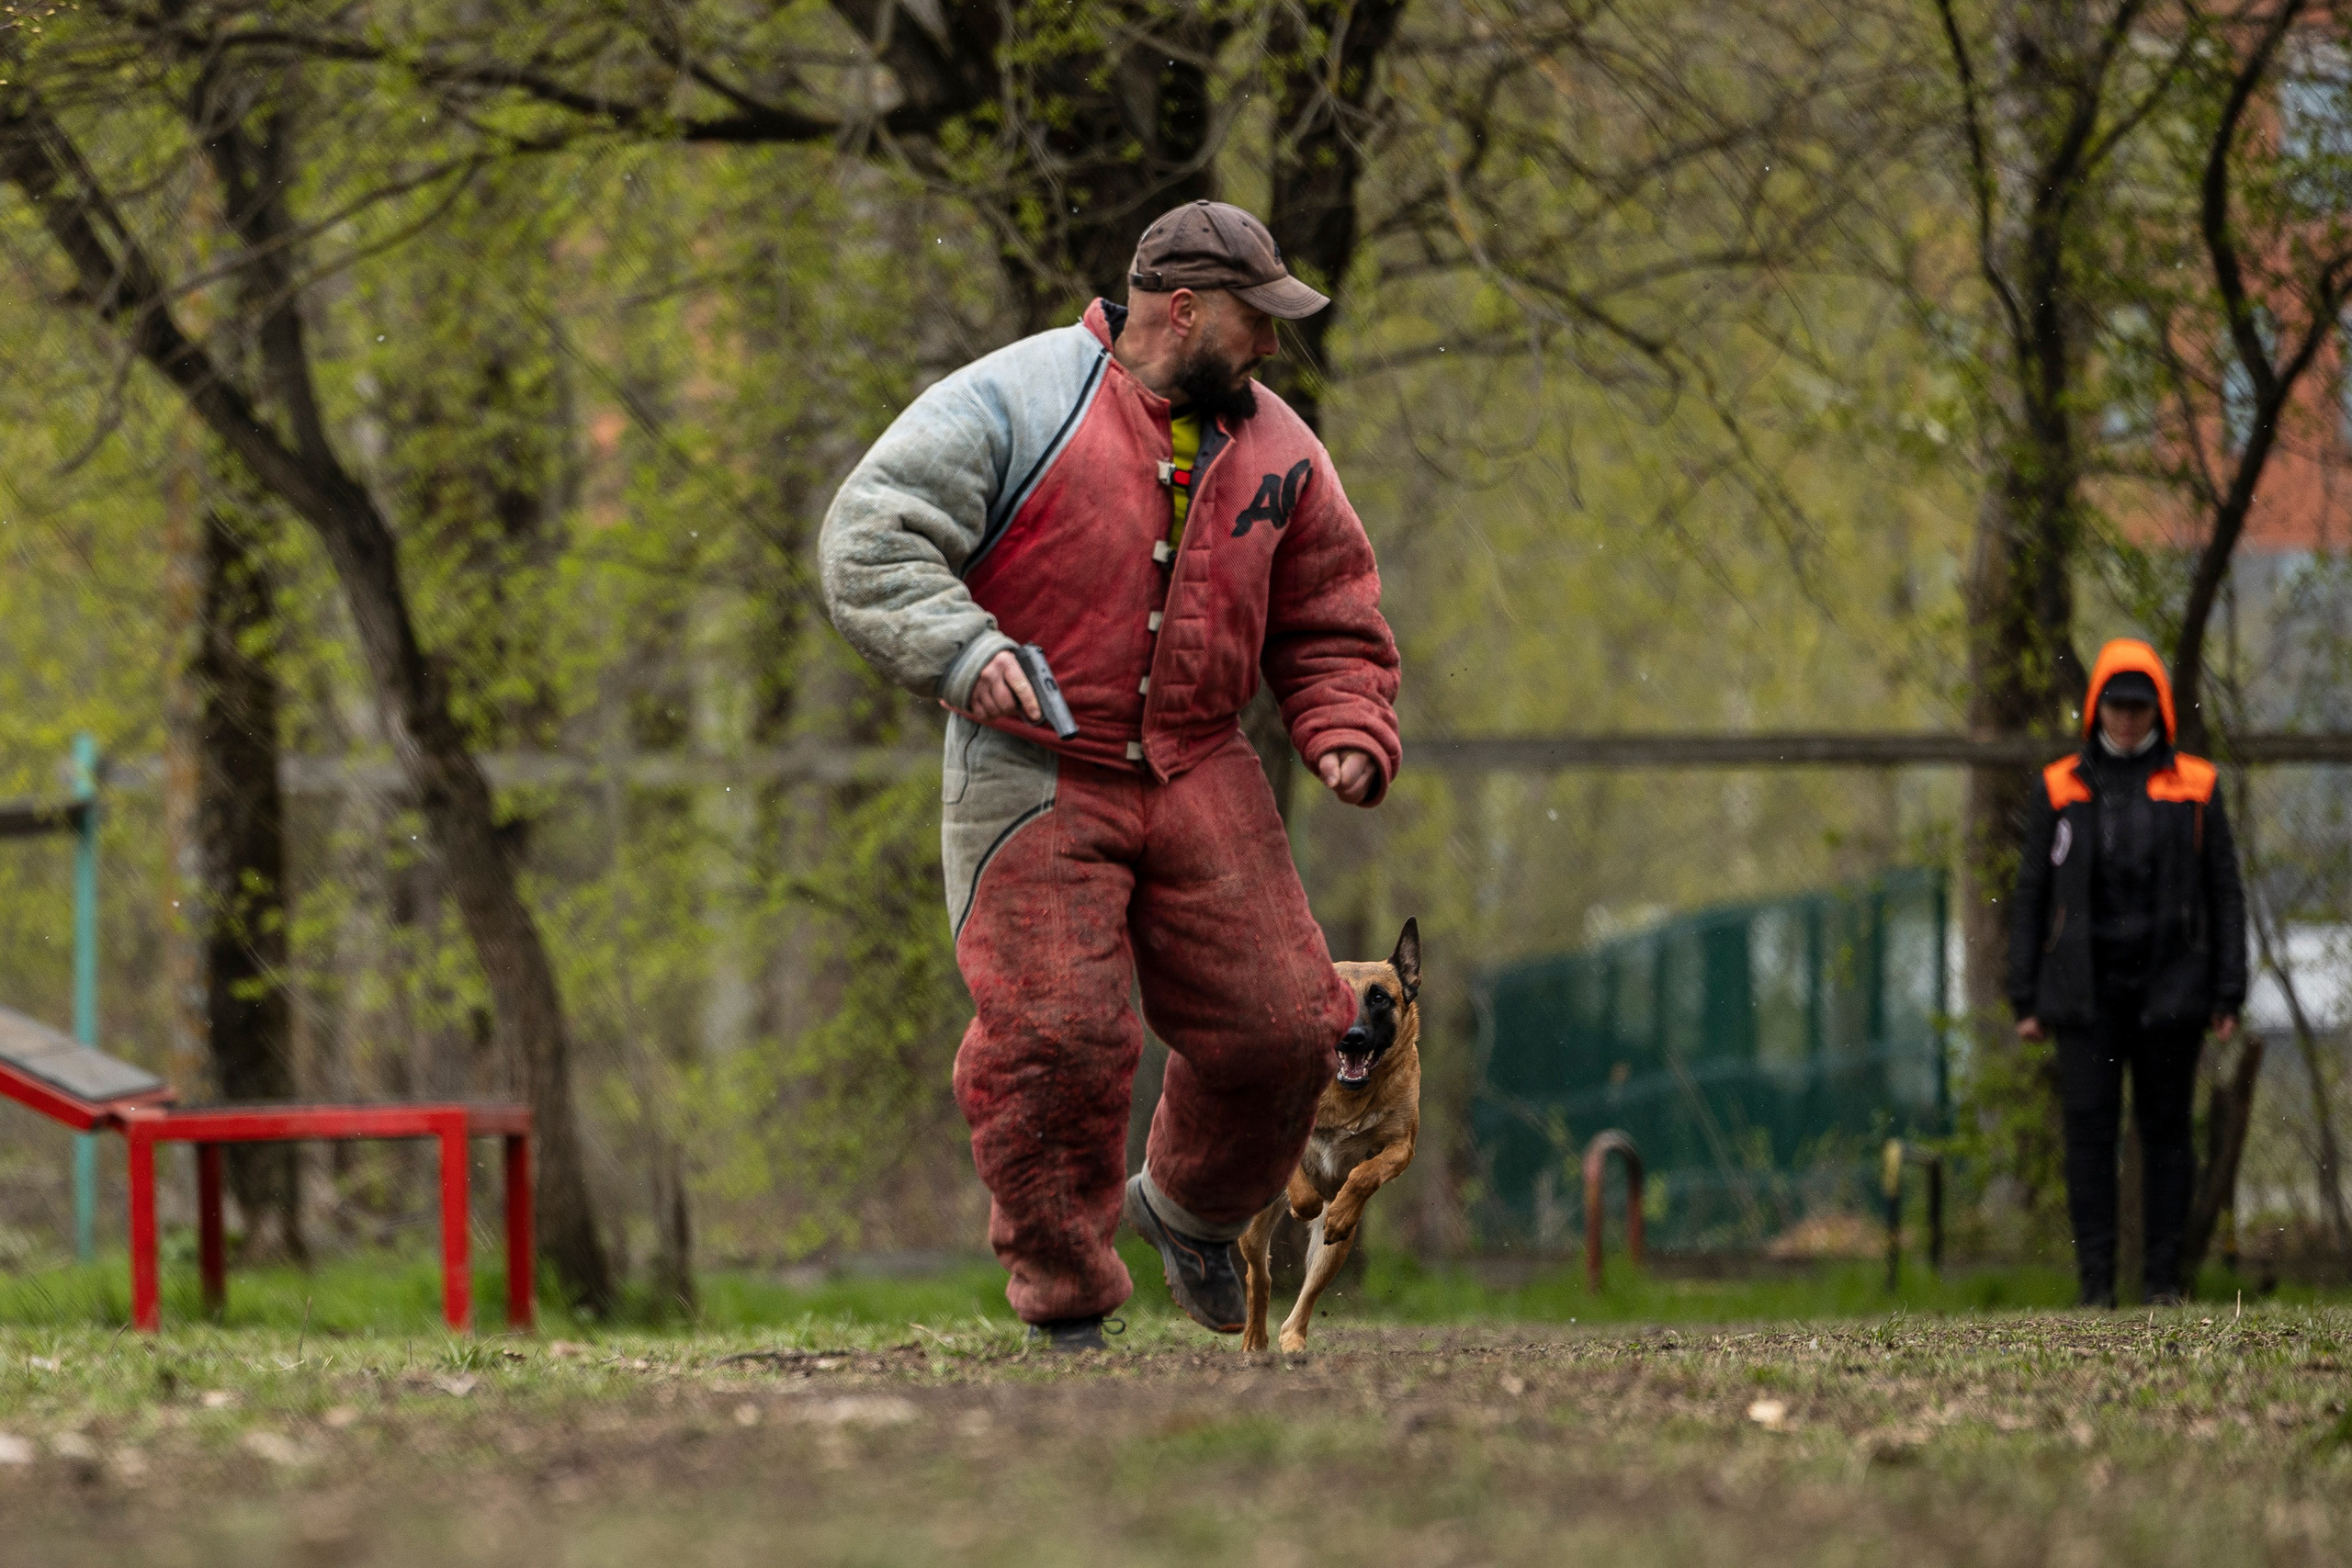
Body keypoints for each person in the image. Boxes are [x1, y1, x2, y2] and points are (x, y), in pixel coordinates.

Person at [819, 200, 1401, 1348]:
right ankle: (1065, 1302)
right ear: (1180, 310)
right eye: (1254, 321)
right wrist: (963, 650)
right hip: (1034, 762)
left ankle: (1186, 1210)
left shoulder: (1282, 447)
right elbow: (868, 536)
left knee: (1291, 1027)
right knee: (1055, 1038)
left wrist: (1342, 719)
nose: (1271, 350)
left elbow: (1330, 605)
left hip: (1199, 758)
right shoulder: (1009, 401)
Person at [2007, 637, 2245, 1307]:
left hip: (2174, 991)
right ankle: (2095, 1287)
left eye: (2139, 707)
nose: (2127, 718)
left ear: (2159, 711)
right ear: (2096, 708)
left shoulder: (2197, 786)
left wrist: (2229, 989)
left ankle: (2164, 1283)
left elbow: (2225, 892)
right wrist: (2024, 994)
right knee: (2088, 1136)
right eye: (2116, 705)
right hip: (2084, 994)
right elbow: (2031, 894)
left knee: (2168, 1134)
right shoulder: (2059, 787)